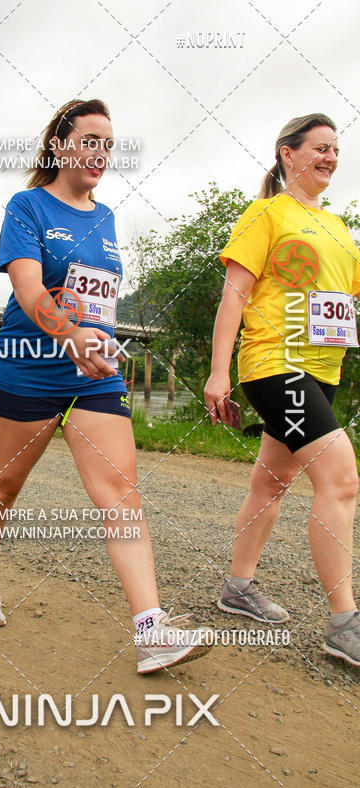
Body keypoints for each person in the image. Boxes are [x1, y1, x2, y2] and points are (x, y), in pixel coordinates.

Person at [0, 98, 211, 673]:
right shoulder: (27, 207)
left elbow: (98, 297)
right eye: (90, 140)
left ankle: (150, 630)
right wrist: (68, 333)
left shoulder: (107, 218)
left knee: (121, 493)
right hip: (26, 370)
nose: (101, 153)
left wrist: (94, 343)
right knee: (2, 489)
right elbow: (28, 290)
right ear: (60, 145)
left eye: (108, 145)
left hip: (94, 376)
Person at [204, 113, 360, 666]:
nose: (330, 157)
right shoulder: (266, 214)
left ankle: (238, 587)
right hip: (275, 365)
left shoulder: (341, 230)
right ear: (287, 154)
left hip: (325, 371)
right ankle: (344, 622)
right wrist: (219, 372)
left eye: (335, 149)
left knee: (272, 481)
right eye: (319, 147)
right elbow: (234, 296)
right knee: (341, 479)